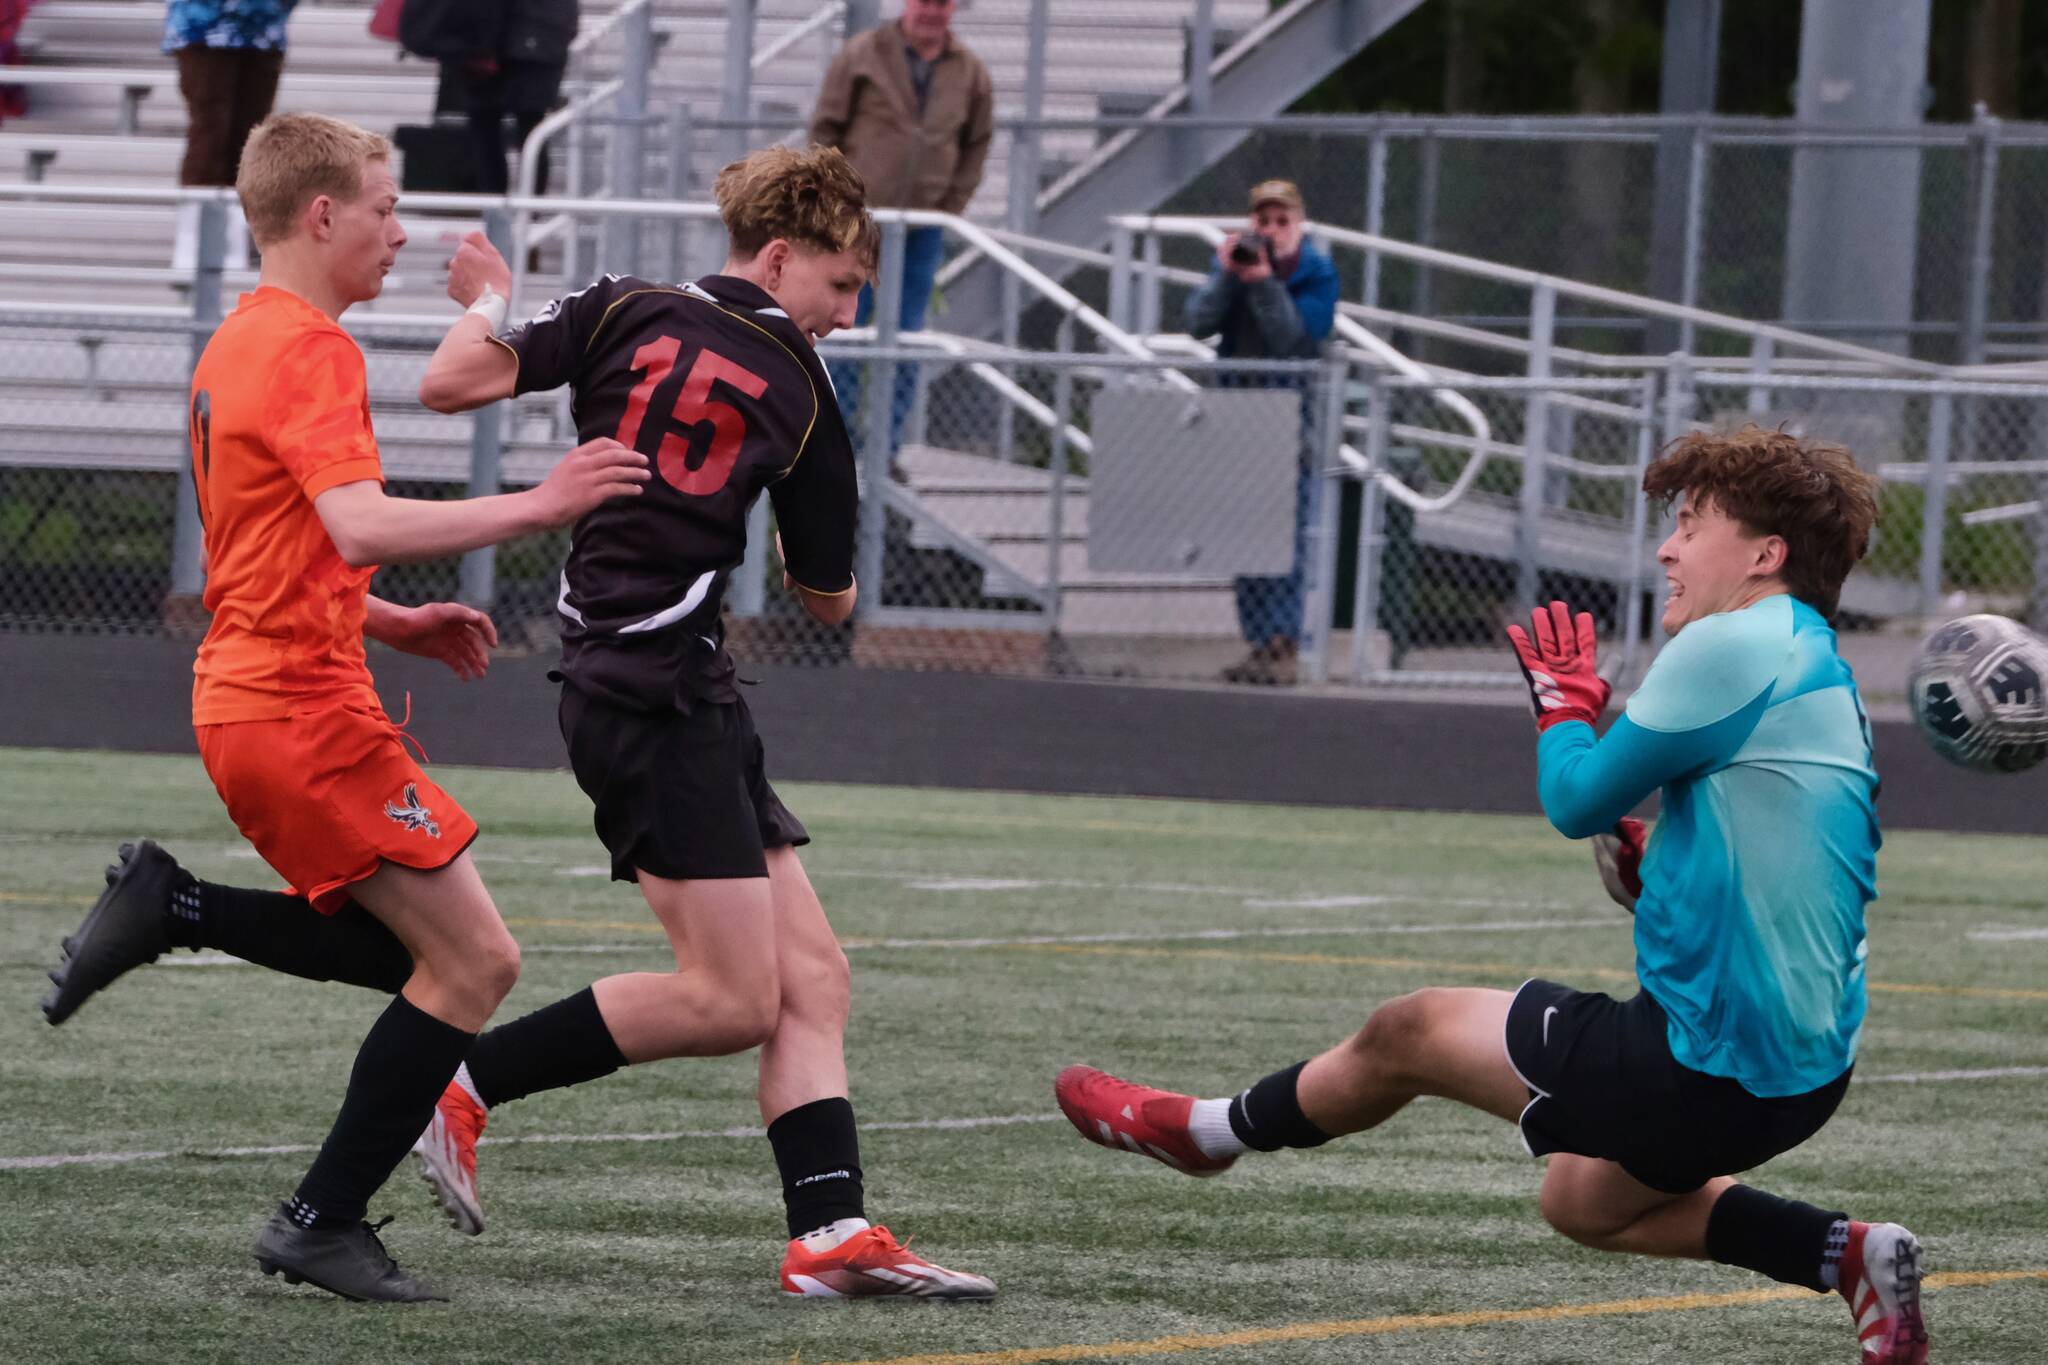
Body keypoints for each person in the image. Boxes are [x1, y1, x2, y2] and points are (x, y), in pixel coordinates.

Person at [1054, 425, 1929, 1365]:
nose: (1668, 549)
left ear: (1765, 555)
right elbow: (1790, 863)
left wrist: (1561, 708)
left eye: (1691, 524)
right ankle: (1846, 1251)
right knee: (1583, 1200)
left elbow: (1577, 798)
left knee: (1411, 1031)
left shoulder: (1734, 643)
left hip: (1708, 1066)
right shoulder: (1813, 660)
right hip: (1803, 1073)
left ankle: (1208, 1131)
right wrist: (1662, 875)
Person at [38, 111, 649, 1304]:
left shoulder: (237, 341)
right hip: (298, 713)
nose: (397, 229)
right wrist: (545, 498)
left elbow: (268, 553)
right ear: (322, 215)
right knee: (473, 962)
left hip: (255, 698)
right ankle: (318, 1219)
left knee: (422, 958)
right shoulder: (310, 349)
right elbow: (358, 522)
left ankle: (179, 906)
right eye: (383, 205)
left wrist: (392, 619)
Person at [409, 143, 995, 1300]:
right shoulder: (806, 389)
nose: (844, 313)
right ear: (780, 256)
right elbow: (830, 602)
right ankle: (461, 1081)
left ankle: (829, 1234)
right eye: (838, 284)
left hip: (667, 683)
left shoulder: (618, 302)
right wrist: (790, 534)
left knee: (812, 978)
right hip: (649, 692)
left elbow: (451, 385)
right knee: (730, 999)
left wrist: (486, 296)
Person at [808, 0, 993, 458]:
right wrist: (836, 202)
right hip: (857, 226)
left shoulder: (970, 72)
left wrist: (949, 207)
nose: (931, 12)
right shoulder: (863, 54)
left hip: (922, 229)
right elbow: (825, 129)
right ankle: (840, 442)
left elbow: (976, 144)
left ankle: (885, 452)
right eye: (923, 2)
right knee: (845, 329)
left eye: (942, 3)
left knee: (907, 338)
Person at [1184, 179, 1339, 687]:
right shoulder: (1233, 264)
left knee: (1287, 535)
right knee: (1239, 533)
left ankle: (1282, 642)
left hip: (1290, 419)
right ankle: (1256, 642)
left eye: (1281, 222)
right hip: (1236, 415)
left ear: (1298, 225)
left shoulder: (1319, 273)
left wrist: (1266, 281)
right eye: (1263, 221)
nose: (1271, 231)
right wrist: (1230, 275)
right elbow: (1196, 323)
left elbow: (1294, 338)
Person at [164, 0, 299, 271]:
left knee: (250, 139)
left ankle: (237, 236)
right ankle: (195, 239)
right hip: (203, 27)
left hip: (263, 30)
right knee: (210, 133)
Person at [431, 0, 576, 196]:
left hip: (506, 41)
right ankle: (518, 211)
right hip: (529, 40)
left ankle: (507, 210)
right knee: (515, 129)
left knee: (500, 130)